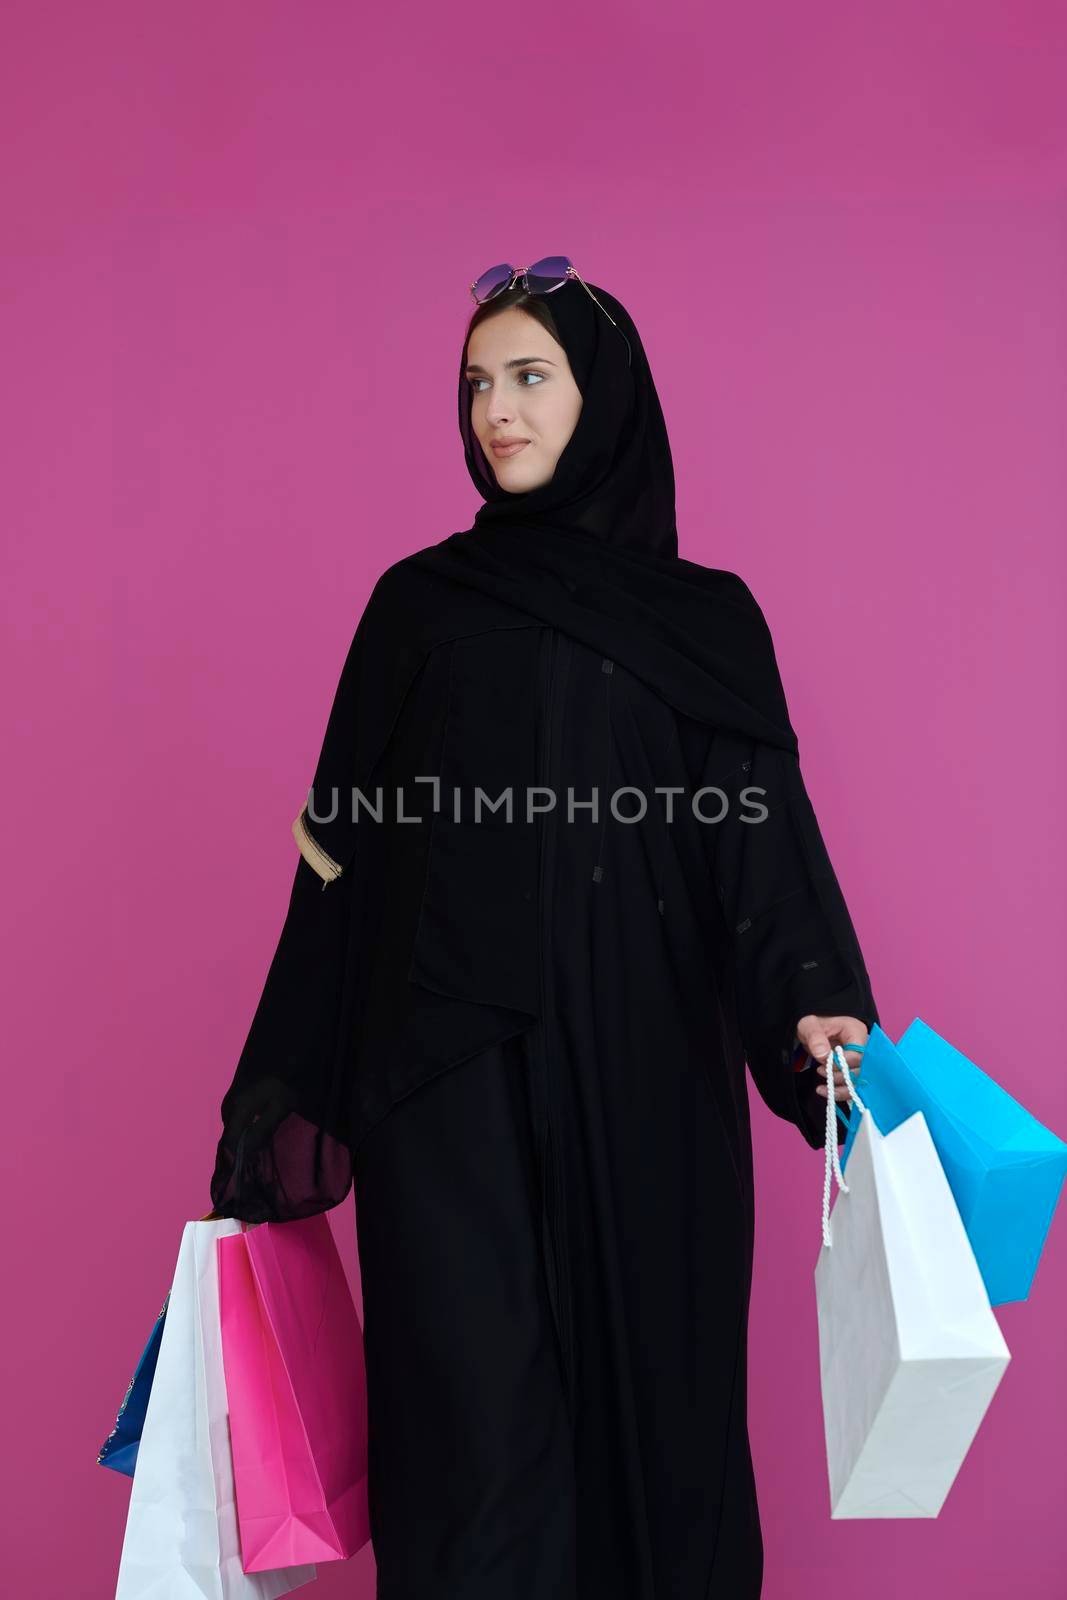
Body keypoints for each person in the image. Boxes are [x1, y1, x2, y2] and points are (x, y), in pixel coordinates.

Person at [207, 260, 879, 1599]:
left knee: (658, 1434)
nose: (496, 411)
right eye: (476, 383)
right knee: (472, 1457)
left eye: (529, 377)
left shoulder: (705, 624)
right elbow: (337, 853)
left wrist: (809, 1000)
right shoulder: (419, 610)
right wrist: (283, 1080)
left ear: (604, 397)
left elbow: (756, 838)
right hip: (448, 1105)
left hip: (647, 1089)